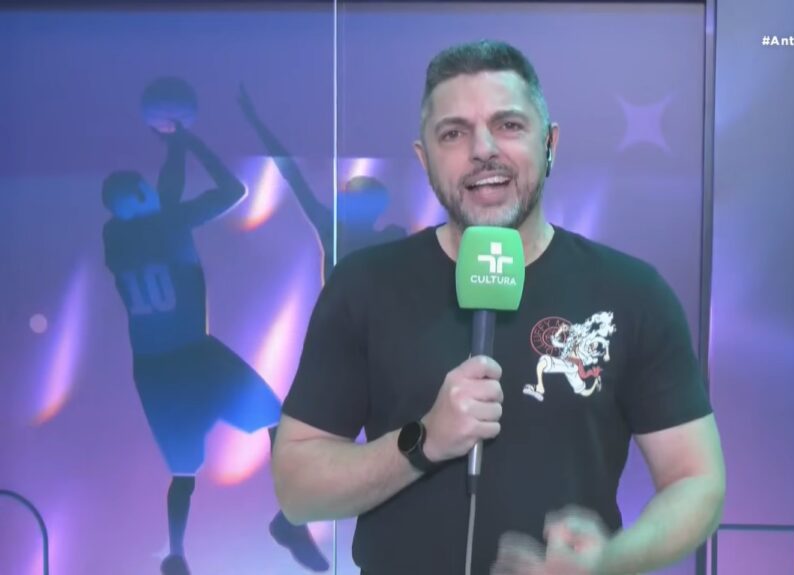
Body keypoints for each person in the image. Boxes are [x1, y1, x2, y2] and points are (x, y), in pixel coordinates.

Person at [271, 40, 726, 575]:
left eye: (508, 125)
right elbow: (297, 489)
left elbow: (697, 481)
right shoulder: (364, 285)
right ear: (424, 158)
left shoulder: (632, 292)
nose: (483, 149)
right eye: (453, 133)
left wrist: (611, 561)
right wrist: (423, 442)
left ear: (550, 143)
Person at [101, 125, 329, 575]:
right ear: (140, 198)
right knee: (275, 421)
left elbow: (164, 195)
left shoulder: (115, 238)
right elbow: (233, 189)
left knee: (183, 473)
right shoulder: (170, 222)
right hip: (193, 354)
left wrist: (174, 149)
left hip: (154, 371)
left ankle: (176, 555)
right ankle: (288, 520)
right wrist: (191, 142)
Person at [237, 84, 406, 283]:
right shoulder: (339, 232)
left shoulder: (368, 237)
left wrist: (255, 122)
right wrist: (256, 122)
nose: (341, 199)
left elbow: (294, 176)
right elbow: (293, 176)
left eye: (348, 195)